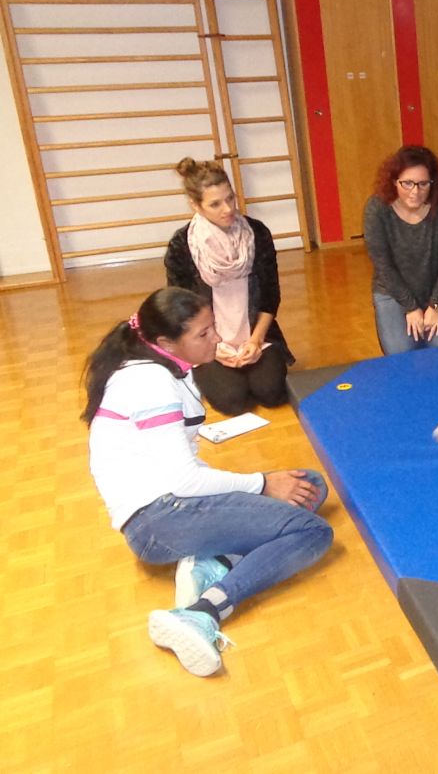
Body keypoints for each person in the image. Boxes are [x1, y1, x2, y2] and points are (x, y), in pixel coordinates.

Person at [82, 287, 333, 677]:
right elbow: (186, 481)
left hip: (169, 506)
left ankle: (211, 560)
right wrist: (262, 483)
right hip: (157, 519)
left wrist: (262, 486)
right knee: (312, 531)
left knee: (309, 484)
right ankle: (202, 612)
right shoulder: (150, 382)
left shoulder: (167, 366)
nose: (216, 337)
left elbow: (183, 468)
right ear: (167, 342)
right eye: (203, 333)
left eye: (213, 326)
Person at [165, 157, 292, 415]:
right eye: (215, 204)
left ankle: (256, 357)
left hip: (256, 335)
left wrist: (256, 340)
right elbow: (180, 310)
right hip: (207, 340)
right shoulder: (181, 244)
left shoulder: (257, 233)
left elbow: (270, 296)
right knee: (232, 401)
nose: (227, 209)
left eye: (230, 198)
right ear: (196, 206)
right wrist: (213, 345)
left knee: (271, 393)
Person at [363, 145, 438, 354]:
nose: (415, 191)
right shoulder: (376, 209)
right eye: (407, 183)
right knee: (402, 355)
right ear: (394, 181)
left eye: (423, 184)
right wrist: (411, 307)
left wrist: (436, 304)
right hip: (395, 292)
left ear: (432, 183)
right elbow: (384, 266)